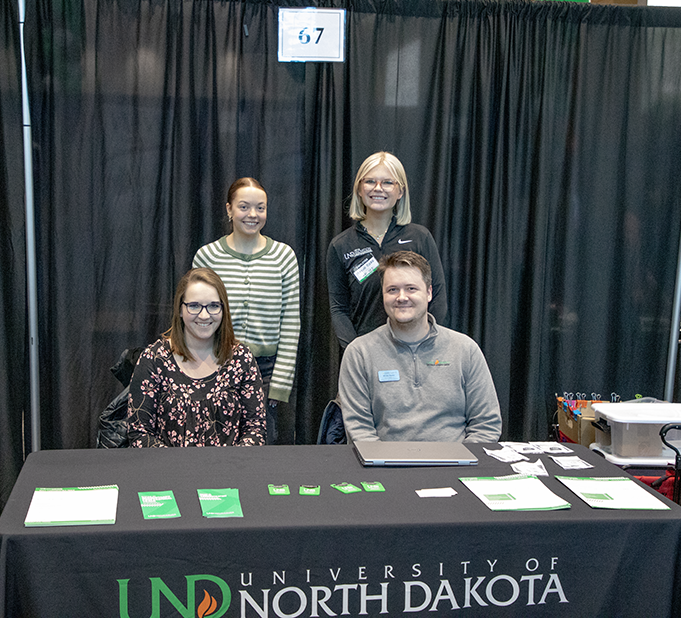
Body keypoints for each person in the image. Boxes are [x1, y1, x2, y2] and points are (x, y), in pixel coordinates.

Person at [338, 251, 501, 443]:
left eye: (411, 288)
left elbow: (486, 425)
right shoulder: (359, 353)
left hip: (454, 467)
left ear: (429, 292)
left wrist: (458, 465)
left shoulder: (465, 349)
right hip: (385, 469)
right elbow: (359, 431)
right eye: (392, 290)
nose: (401, 297)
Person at [193, 178, 301, 444]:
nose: (253, 215)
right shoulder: (207, 257)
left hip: (267, 371)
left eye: (260, 208)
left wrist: (280, 385)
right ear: (229, 210)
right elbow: (195, 320)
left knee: (266, 454)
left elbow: (290, 323)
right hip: (216, 366)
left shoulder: (283, 257)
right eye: (244, 207)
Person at [127, 267, 265, 447]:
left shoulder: (241, 359)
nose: (204, 315)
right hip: (167, 471)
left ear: (224, 310)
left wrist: (229, 467)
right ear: (180, 309)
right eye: (194, 306)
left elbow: (255, 430)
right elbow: (139, 433)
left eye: (214, 306)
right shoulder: (154, 359)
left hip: (229, 470)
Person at [327, 151, 447, 350]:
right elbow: (339, 309)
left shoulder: (420, 237)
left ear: (400, 191)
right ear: (359, 188)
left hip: (416, 349)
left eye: (388, 182)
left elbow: (438, 296)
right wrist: (356, 351)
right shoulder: (341, 245)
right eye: (370, 181)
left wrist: (425, 344)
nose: (378, 188)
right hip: (366, 353)